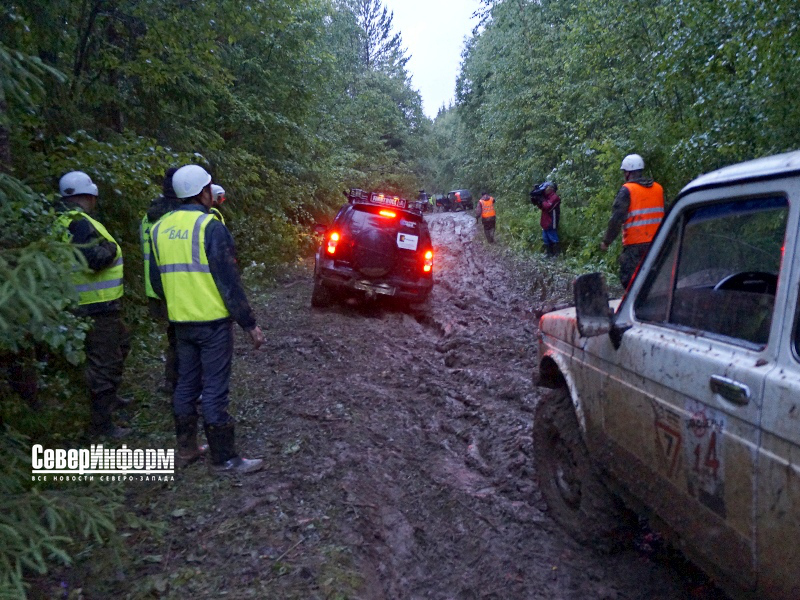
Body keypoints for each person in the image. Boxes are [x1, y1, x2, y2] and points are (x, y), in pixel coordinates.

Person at [149, 164, 265, 473]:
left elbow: (157, 281)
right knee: (214, 387)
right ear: (202, 192)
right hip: (212, 323)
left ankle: (187, 448)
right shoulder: (210, 227)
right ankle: (224, 458)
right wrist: (249, 324)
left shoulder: (158, 228)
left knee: (186, 384)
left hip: (180, 322)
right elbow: (229, 282)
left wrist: (180, 303)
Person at [54, 171, 131, 438]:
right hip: (96, 306)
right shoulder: (79, 224)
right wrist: (111, 249)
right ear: (89, 196)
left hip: (88, 305)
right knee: (105, 364)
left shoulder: (62, 221)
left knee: (121, 344)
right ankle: (101, 425)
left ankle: (110, 400)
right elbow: (93, 259)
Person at [140, 168, 180, 395]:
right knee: (183, 337)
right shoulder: (174, 219)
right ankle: (180, 386)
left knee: (174, 336)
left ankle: (172, 382)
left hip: (154, 285)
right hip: (174, 286)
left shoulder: (149, 216)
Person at [600, 154, 665, 288]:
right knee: (655, 280)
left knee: (630, 282)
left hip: (635, 247)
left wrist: (606, 241)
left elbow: (616, 219)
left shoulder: (627, 190)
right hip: (658, 243)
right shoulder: (658, 188)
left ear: (628, 173)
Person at [531, 181, 561, 257]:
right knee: (545, 238)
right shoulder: (546, 197)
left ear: (551, 188)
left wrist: (542, 200)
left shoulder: (555, 197)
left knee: (552, 236)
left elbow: (547, 206)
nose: (545, 189)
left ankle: (557, 254)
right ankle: (549, 253)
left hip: (552, 220)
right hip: (545, 220)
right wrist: (537, 202)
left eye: (547, 187)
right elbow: (543, 207)